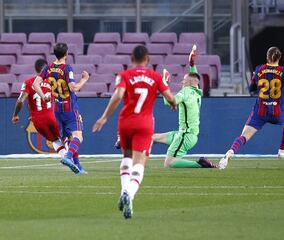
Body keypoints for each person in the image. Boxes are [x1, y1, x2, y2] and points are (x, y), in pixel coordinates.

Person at [92, 45, 176, 219]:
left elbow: (118, 95)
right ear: (148, 59)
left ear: (132, 59)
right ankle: (129, 194)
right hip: (145, 124)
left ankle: (124, 191)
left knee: (127, 158)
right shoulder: (155, 77)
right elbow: (169, 97)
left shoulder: (124, 75)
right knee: (139, 162)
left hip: (125, 122)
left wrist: (104, 117)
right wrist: (174, 103)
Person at [219, 46, 284, 169]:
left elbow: (251, 89)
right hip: (277, 112)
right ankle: (282, 150)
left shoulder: (259, 69)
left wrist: (254, 78)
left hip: (260, 112)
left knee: (244, 136)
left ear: (267, 57)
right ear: (279, 58)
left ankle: (230, 152)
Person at [153, 45, 217, 168]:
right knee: (153, 137)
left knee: (169, 163)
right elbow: (194, 75)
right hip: (186, 133)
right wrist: (192, 63)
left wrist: (164, 84)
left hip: (185, 135)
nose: (182, 81)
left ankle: (200, 164)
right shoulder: (197, 91)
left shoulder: (186, 91)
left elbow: (169, 102)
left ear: (190, 82)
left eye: (184, 79)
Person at [33, 43, 90, 174]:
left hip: (56, 109)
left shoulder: (48, 68)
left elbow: (36, 83)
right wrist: (84, 79)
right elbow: (73, 88)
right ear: (66, 54)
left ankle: (78, 167)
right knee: (78, 136)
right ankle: (68, 157)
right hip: (69, 107)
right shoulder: (67, 68)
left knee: (69, 137)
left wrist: (43, 96)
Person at [11, 58, 67, 162]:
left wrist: (15, 115)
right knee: (66, 136)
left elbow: (20, 101)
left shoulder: (28, 82)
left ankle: (65, 157)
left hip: (37, 121)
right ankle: (71, 157)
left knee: (54, 139)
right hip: (52, 116)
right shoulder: (52, 82)